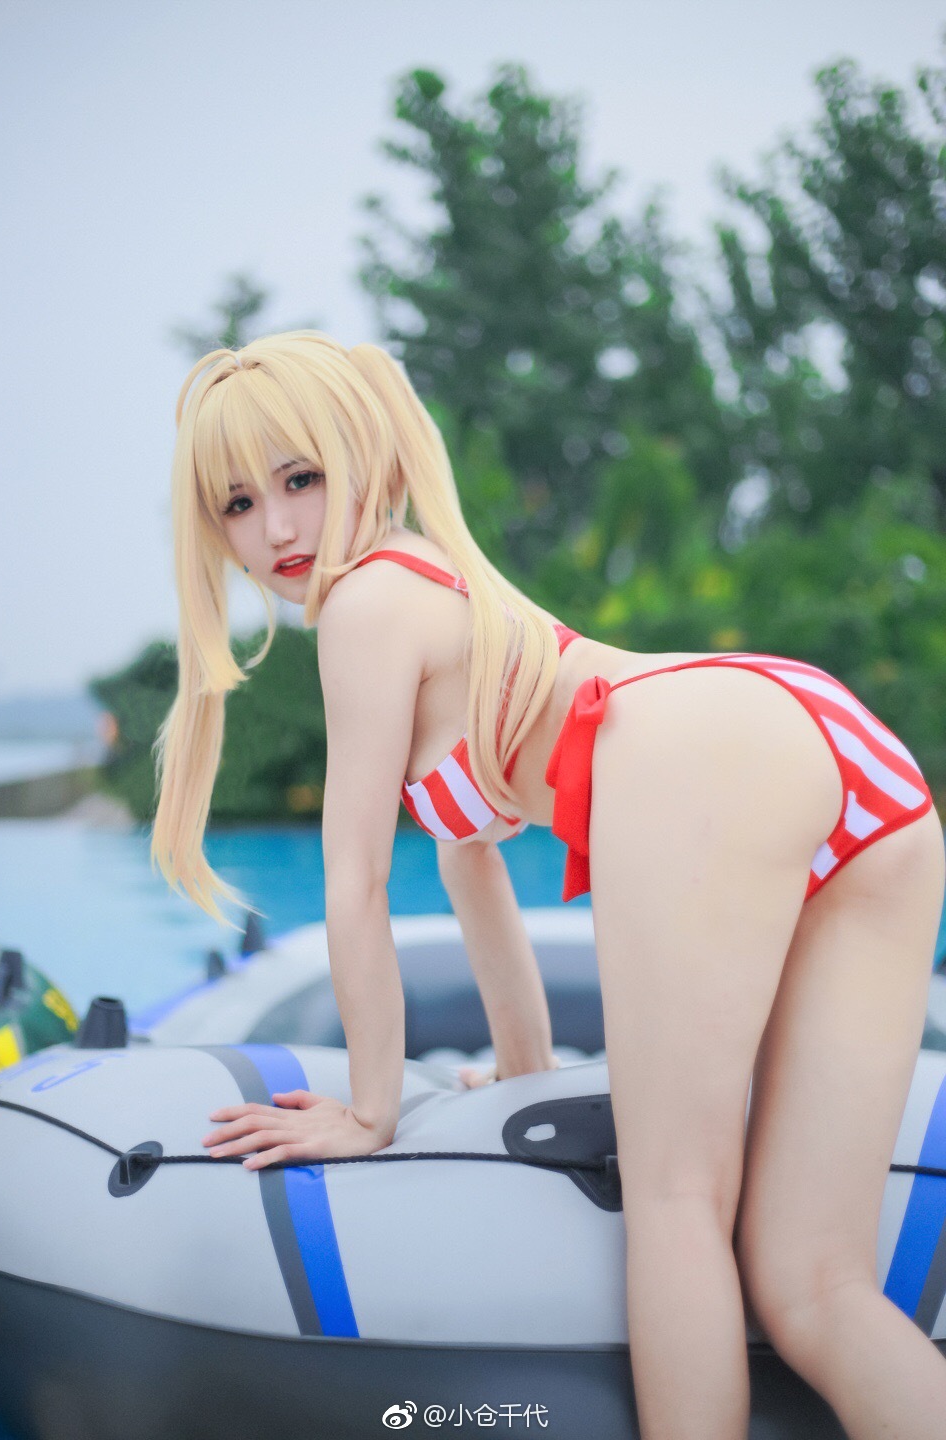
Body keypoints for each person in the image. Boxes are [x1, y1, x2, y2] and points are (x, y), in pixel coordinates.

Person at [149, 329, 946, 1440]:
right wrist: (524, 1072)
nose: (276, 529)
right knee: (815, 1282)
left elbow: (354, 878)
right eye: (237, 503)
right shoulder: (443, 588)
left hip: (694, 754)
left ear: (372, 460)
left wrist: (371, 1112)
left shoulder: (368, 604)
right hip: (835, 749)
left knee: (677, 1203)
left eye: (301, 479)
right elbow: (469, 861)